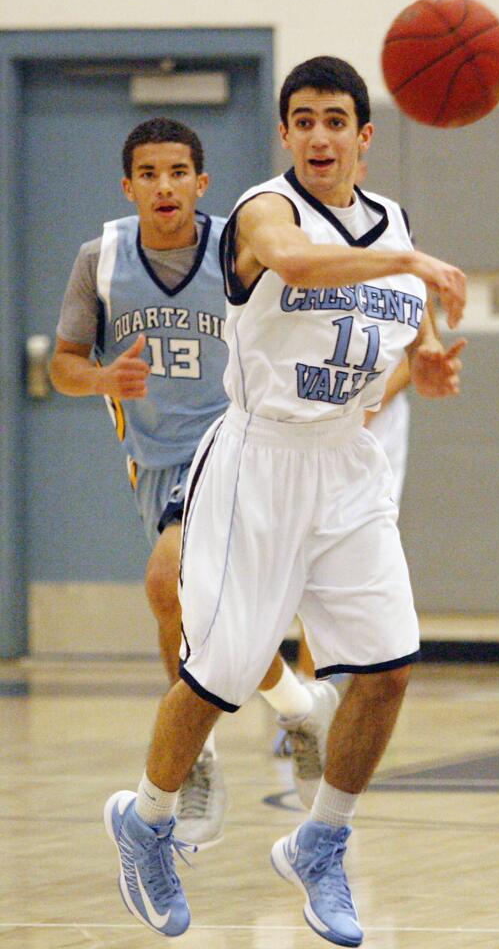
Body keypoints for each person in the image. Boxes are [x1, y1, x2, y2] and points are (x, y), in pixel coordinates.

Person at [103, 58, 466, 945]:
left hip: (345, 463)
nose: (317, 135)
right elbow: (299, 268)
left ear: (364, 137)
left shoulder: (390, 224)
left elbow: (398, 328)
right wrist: (411, 257)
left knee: (384, 670)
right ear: (284, 134)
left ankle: (320, 841)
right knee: (223, 674)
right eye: (301, 120)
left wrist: (420, 361)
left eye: (335, 120)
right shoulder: (269, 212)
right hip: (256, 463)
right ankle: (146, 819)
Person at [50, 116, 338, 848]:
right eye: (148, 173)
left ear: (201, 183)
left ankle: (196, 759)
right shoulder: (101, 258)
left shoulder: (235, 247)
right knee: (214, 623)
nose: (164, 186)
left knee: (164, 580)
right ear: (128, 186)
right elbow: (62, 363)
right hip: (156, 461)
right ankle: (299, 704)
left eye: (177, 171)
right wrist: (101, 377)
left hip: (239, 444)